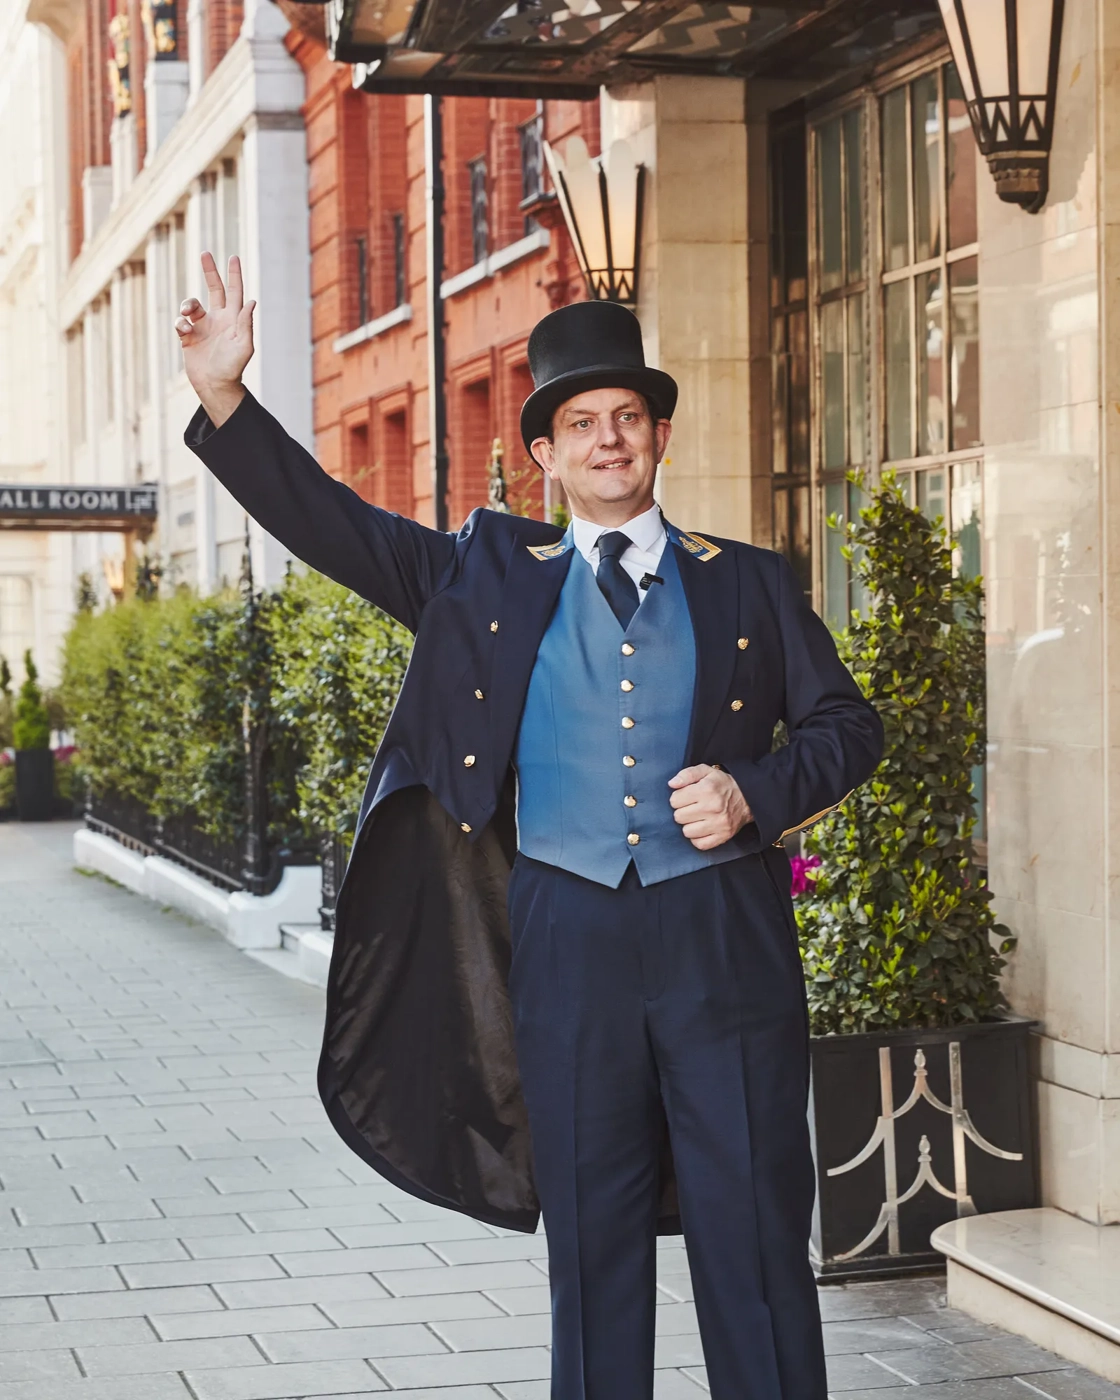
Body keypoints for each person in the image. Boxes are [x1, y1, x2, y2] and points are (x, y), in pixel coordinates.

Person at [178, 252, 883, 1400]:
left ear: (658, 437)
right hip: (564, 942)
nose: (610, 439)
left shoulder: (748, 583)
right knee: (591, 1246)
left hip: (723, 943)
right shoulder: (483, 575)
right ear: (544, 455)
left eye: (629, 417)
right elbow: (333, 524)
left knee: (751, 1234)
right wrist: (224, 398)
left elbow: (851, 725)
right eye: (582, 423)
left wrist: (758, 789)